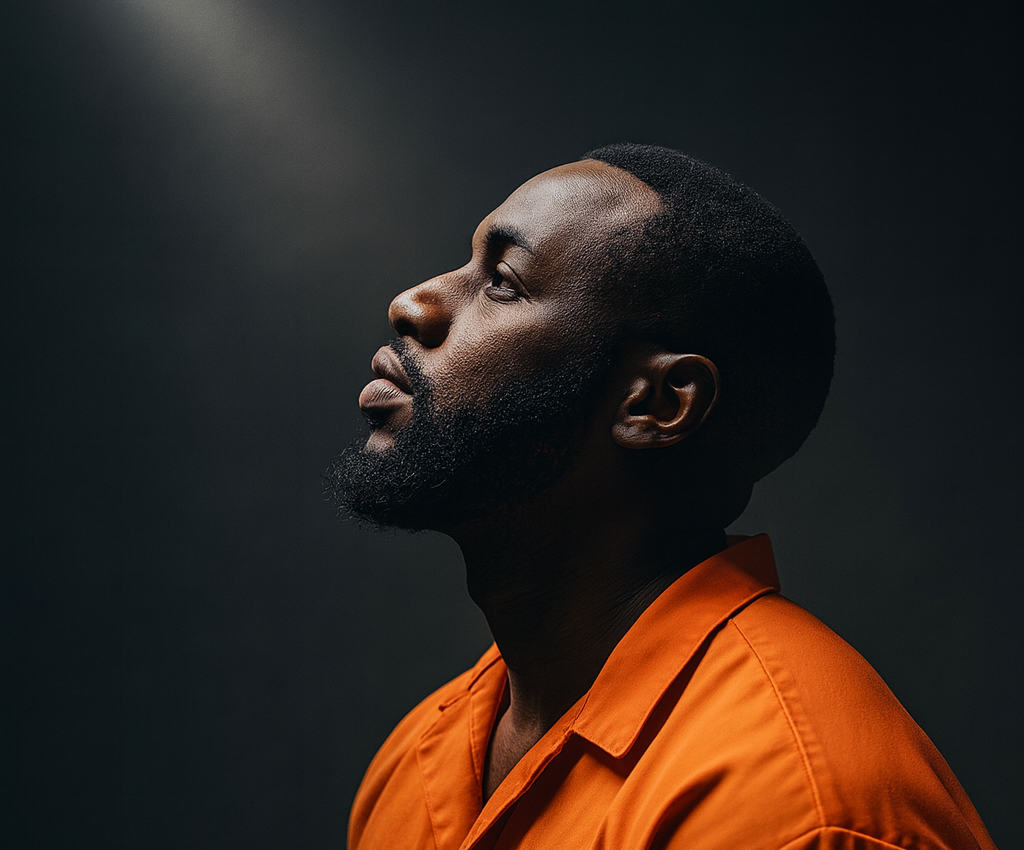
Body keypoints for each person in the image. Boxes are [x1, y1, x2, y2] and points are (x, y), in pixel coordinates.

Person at [327, 145, 996, 850]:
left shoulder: (795, 810)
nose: (413, 304)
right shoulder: (416, 760)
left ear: (656, 404)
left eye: (503, 281)